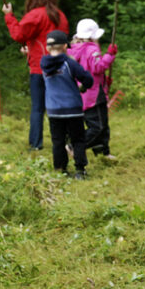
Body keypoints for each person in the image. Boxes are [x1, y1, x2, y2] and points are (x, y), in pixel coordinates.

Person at [2, 0, 70, 151]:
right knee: (61, 107)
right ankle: (65, 142)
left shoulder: (35, 15)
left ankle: (36, 144)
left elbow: (18, 34)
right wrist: (30, 49)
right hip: (61, 67)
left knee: (38, 108)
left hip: (39, 69)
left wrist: (9, 16)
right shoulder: (61, 16)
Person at [41, 30, 93, 179]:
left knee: (58, 141)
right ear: (65, 46)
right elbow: (87, 79)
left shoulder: (43, 65)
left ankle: (60, 169)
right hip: (72, 109)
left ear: (48, 47)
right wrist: (83, 86)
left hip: (54, 111)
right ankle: (80, 170)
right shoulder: (69, 63)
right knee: (78, 139)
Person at [67, 19, 118, 160]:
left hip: (84, 93)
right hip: (94, 95)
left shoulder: (74, 49)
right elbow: (98, 67)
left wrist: (104, 81)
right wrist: (110, 55)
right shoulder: (91, 49)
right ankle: (74, 146)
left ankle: (102, 151)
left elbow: (89, 69)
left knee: (102, 123)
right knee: (98, 126)